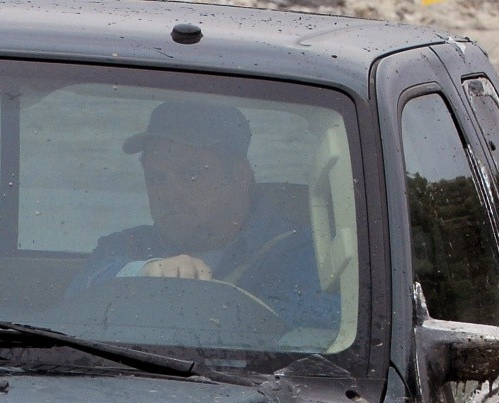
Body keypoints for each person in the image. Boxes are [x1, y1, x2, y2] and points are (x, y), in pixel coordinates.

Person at [68, 99, 337, 335]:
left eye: (192, 174)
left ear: (240, 177)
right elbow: (73, 305)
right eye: (157, 178)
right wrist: (145, 273)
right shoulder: (128, 247)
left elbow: (316, 348)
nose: (169, 194)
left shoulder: (300, 254)